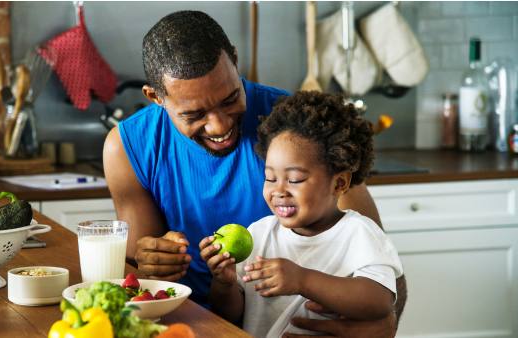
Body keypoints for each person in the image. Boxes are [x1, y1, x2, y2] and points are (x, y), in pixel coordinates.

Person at [103, 10, 407, 337]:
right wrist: (152, 261)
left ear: (235, 60)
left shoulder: (296, 130)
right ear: (155, 97)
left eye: (231, 98)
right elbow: (138, 279)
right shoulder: (127, 147)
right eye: (194, 114)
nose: (220, 126)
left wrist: (382, 328)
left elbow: (386, 277)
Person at [199, 91, 403, 337]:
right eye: (270, 178)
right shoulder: (259, 234)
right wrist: (224, 283)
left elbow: (379, 301)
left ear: (339, 184)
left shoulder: (359, 233)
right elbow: (232, 315)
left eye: (295, 179)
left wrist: (302, 280)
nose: (278, 190)